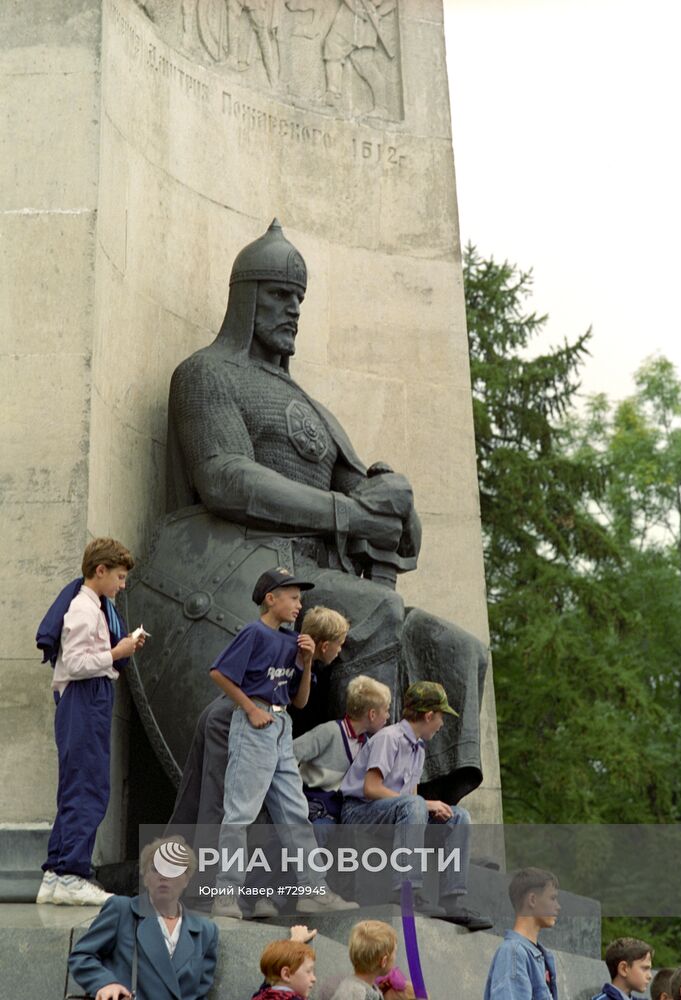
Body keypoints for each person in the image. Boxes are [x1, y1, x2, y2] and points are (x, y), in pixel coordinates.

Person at [131, 218, 489, 808]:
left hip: (327, 578)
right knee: (377, 611)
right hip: (256, 572)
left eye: (298, 298)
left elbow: (366, 495)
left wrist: (392, 495)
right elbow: (224, 477)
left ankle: (421, 807)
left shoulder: (311, 407)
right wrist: (347, 513)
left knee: (457, 646)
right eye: (278, 295)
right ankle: (360, 800)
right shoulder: (205, 374)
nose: (291, 309)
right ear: (245, 297)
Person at [209, 568, 358, 918]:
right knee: (241, 812)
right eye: (292, 597)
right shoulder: (254, 632)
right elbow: (219, 672)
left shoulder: (293, 641)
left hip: (281, 724)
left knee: (295, 812)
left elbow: (300, 701)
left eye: (300, 598)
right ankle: (225, 894)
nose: (298, 604)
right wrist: (248, 708)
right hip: (255, 721)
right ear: (270, 598)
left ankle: (312, 890)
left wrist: (306, 663)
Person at [167, 605, 353, 829]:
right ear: (325, 645)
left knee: (202, 796)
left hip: (232, 715)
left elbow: (299, 701)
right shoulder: (279, 642)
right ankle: (204, 861)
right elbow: (224, 673)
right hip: (231, 718)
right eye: (340, 644)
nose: (340, 650)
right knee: (217, 799)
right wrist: (252, 710)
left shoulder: (302, 657)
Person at [36, 538, 146, 907]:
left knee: (76, 787)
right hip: (85, 699)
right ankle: (72, 873)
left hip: (84, 701)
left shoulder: (90, 606)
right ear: (100, 571)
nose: (122, 584)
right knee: (89, 787)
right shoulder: (84, 610)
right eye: (119, 576)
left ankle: (57, 874)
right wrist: (118, 652)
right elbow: (76, 664)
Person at [340, 681, 492, 930]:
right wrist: (423, 803)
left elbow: (409, 795)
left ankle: (451, 900)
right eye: (441, 717)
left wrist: (424, 805)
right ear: (429, 715)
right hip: (360, 811)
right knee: (416, 804)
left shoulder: (419, 749)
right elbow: (371, 788)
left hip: (396, 811)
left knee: (459, 816)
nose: (442, 725)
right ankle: (406, 892)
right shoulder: (389, 738)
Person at [68, 836, 218, 1000]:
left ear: (186, 880)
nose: (163, 876)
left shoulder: (205, 931)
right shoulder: (122, 910)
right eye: (156, 869)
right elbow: (82, 956)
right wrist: (105, 983)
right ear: (145, 878)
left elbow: (200, 993)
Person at [294, 672, 392, 824]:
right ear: (372, 714)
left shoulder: (367, 744)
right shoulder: (330, 731)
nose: (388, 716)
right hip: (311, 803)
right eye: (386, 710)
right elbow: (290, 753)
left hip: (337, 809)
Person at [483, 867, 560, 1000]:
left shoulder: (537, 955)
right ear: (532, 900)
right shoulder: (513, 953)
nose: (558, 906)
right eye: (552, 898)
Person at [329, 920, 397, 1000]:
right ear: (384, 961)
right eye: (395, 953)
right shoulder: (355, 994)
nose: (395, 957)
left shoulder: (361, 988)